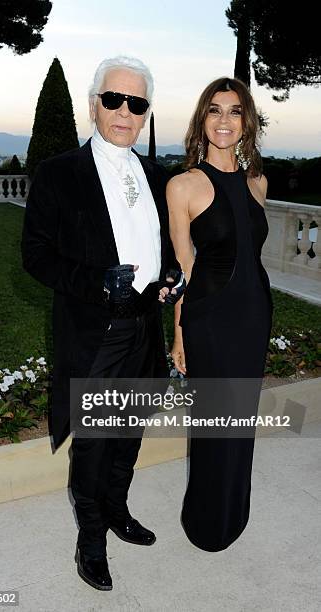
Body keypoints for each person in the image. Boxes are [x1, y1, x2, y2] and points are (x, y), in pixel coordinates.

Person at [21, 55, 183, 591]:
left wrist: (171, 275)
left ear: (145, 115)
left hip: (144, 328)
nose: (123, 111)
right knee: (93, 441)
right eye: (113, 99)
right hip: (97, 331)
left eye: (136, 104)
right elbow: (36, 255)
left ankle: (117, 510)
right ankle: (90, 537)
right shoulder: (59, 173)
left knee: (130, 431)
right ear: (94, 105)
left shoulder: (160, 177)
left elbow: (166, 246)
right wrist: (96, 282)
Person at [159, 77, 273, 551]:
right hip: (209, 320)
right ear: (201, 120)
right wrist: (180, 336)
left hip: (253, 316)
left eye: (234, 111)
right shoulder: (183, 184)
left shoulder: (258, 182)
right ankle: (205, 520)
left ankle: (234, 512)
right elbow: (185, 268)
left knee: (240, 422)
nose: (223, 120)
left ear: (246, 121)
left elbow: (253, 255)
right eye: (214, 110)